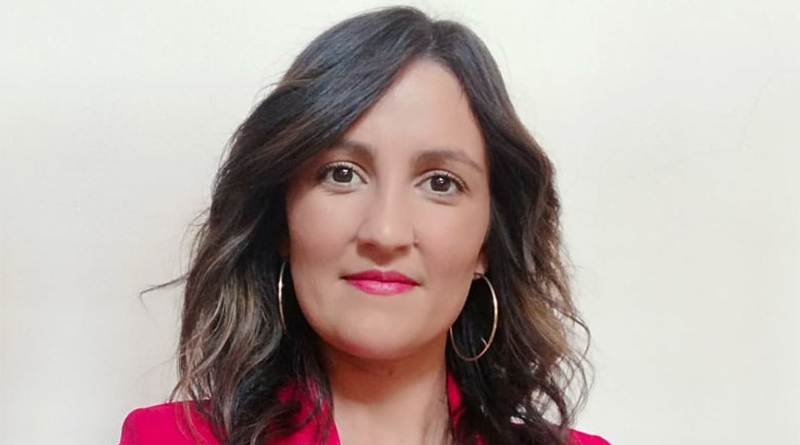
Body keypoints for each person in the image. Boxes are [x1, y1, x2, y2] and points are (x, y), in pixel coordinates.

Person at [119, 6, 611, 445]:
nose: (385, 232)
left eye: (441, 182)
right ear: (282, 220)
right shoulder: (166, 440)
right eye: (341, 174)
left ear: (489, 241)